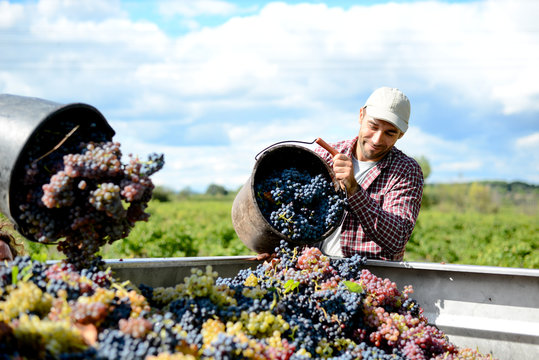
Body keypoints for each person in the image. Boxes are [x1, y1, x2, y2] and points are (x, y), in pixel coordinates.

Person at [315, 86, 424, 261]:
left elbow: (397, 238)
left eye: (390, 133)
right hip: (314, 271)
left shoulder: (405, 171)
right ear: (361, 116)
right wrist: (272, 245)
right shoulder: (326, 155)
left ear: (401, 134)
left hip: (368, 277)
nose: (377, 139)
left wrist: (353, 190)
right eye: (373, 126)